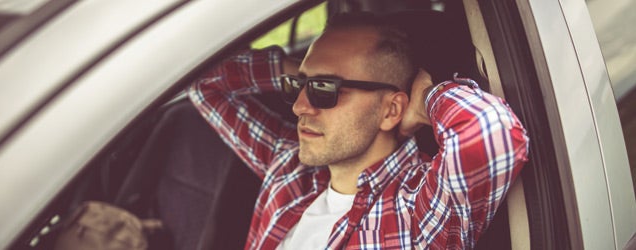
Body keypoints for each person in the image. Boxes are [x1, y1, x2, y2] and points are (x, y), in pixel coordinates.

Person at [188, 13, 529, 249]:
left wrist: (426, 98)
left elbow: (492, 132)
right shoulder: (289, 166)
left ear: (391, 109)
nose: (299, 106)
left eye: (324, 88)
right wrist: (294, 68)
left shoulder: (417, 212)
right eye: (297, 85)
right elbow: (201, 81)